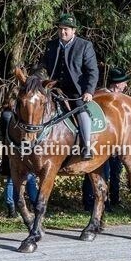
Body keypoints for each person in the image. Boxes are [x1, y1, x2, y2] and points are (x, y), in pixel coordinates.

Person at [41, 13, 99, 160]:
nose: (63, 32)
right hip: (54, 88)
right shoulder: (51, 45)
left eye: (66, 29)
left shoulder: (84, 45)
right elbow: (42, 66)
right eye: (60, 29)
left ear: (74, 30)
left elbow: (93, 71)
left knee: (81, 111)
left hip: (76, 90)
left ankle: (86, 147)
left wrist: (89, 91)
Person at [82, 67, 129, 212]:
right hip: (100, 143)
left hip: (115, 145)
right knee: (99, 173)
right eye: (124, 83)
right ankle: (90, 201)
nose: (126, 86)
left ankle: (111, 200)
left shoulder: (118, 98)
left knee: (114, 173)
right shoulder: (101, 96)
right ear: (117, 83)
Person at [0, 104, 38, 217]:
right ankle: (33, 206)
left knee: (13, 179)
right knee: (28, 178)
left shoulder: (5, 114)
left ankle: (12, 209)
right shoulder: (12, 116)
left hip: (9, 148)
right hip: (19, 149)